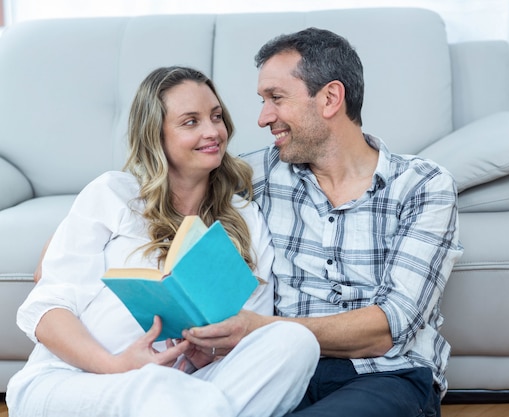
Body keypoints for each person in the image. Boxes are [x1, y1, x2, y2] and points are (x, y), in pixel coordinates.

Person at [6, 66, 319, 417]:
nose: (212, 131)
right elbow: (47, 309)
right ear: (156, 135)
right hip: (76, 378)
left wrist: (213, 351)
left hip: (194, 384)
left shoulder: (244, 217)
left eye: (216, 116)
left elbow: (252, 326)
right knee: (159, 388)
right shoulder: (113, 194)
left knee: (295, 342)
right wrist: (117, 366)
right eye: (190, 122)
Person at [182, 28, 464, 417]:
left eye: (276, 98)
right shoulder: (255, 175)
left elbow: (390, 327)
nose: (264, 118)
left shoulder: (423, 186)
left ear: (330, 98)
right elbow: (177, 176)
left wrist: (262, 329)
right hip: (281, 369)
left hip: (384, 376)